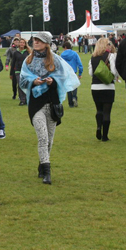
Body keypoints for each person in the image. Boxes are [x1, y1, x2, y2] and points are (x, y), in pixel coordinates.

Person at [19, 32, 80, 185]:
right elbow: (23, 80)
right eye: (35, 40)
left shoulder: (56, 61)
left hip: (52, 104)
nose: (36, 43)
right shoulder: (28, 60)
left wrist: (53, 81)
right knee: (42, 137)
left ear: (46, 43)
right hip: (35, 104)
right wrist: (34, 82)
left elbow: (63, 79)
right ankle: (47, 172)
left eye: (39, 41)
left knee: (50, 140)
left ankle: (41, 164)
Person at [89, 38, 119, 142]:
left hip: (95, 87)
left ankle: (98, 127)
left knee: (99, 110)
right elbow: (114, 71)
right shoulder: (111, 56)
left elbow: (91, 73)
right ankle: (105, 136)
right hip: (108, 87)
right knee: (107, 112)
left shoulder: (92, 57)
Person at [60, 40, 83, 107]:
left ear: (65, 47)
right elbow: (79, 64)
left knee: (68, 87)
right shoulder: (74, 53)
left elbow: (60, 64)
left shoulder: (62, 54)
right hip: (73, 71)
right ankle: (74, 97)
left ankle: (70, 103)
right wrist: (80, 73)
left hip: (66, 72)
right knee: (75, 85)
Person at [11, 38, 31, 106]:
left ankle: (26, 99)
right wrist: (11, 73)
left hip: (26, 71)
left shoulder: (28, 52)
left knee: (26, 85)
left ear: (25, 44)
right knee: (20, 85)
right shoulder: (15, 53)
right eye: (21, 42)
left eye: (23, 42)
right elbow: (13, 63)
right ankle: (22, 100)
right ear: (19, 44)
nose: (22, 44)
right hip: (18, 71)